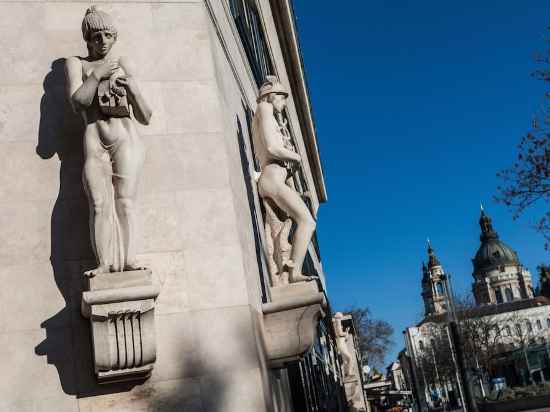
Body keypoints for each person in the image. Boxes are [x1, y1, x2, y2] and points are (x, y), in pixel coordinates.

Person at [65, 6, 152, 276]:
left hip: (126, 139)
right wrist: (97, 74)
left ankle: (130, 259)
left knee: (125, 201)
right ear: (87, 39)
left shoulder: (123, 64)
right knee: (99, 204)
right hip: (95, 141)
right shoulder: (76, 63)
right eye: (96, 36)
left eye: (107, 36)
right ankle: (104, 263)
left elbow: (146, 115)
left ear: (114, 37)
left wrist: (133, 89)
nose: (102, 42)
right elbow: (78, 101)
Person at [252, 76, 316, 284]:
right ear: (271, 96)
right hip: (272, 179)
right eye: (282, 97)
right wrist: (295, 156)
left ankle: (286, 270)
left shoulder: (266, 114)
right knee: (306, 221)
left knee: (282, 233)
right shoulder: (265, 109)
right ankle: (293, 271)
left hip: (273, 180)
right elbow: (271, 147)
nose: (285, 103)